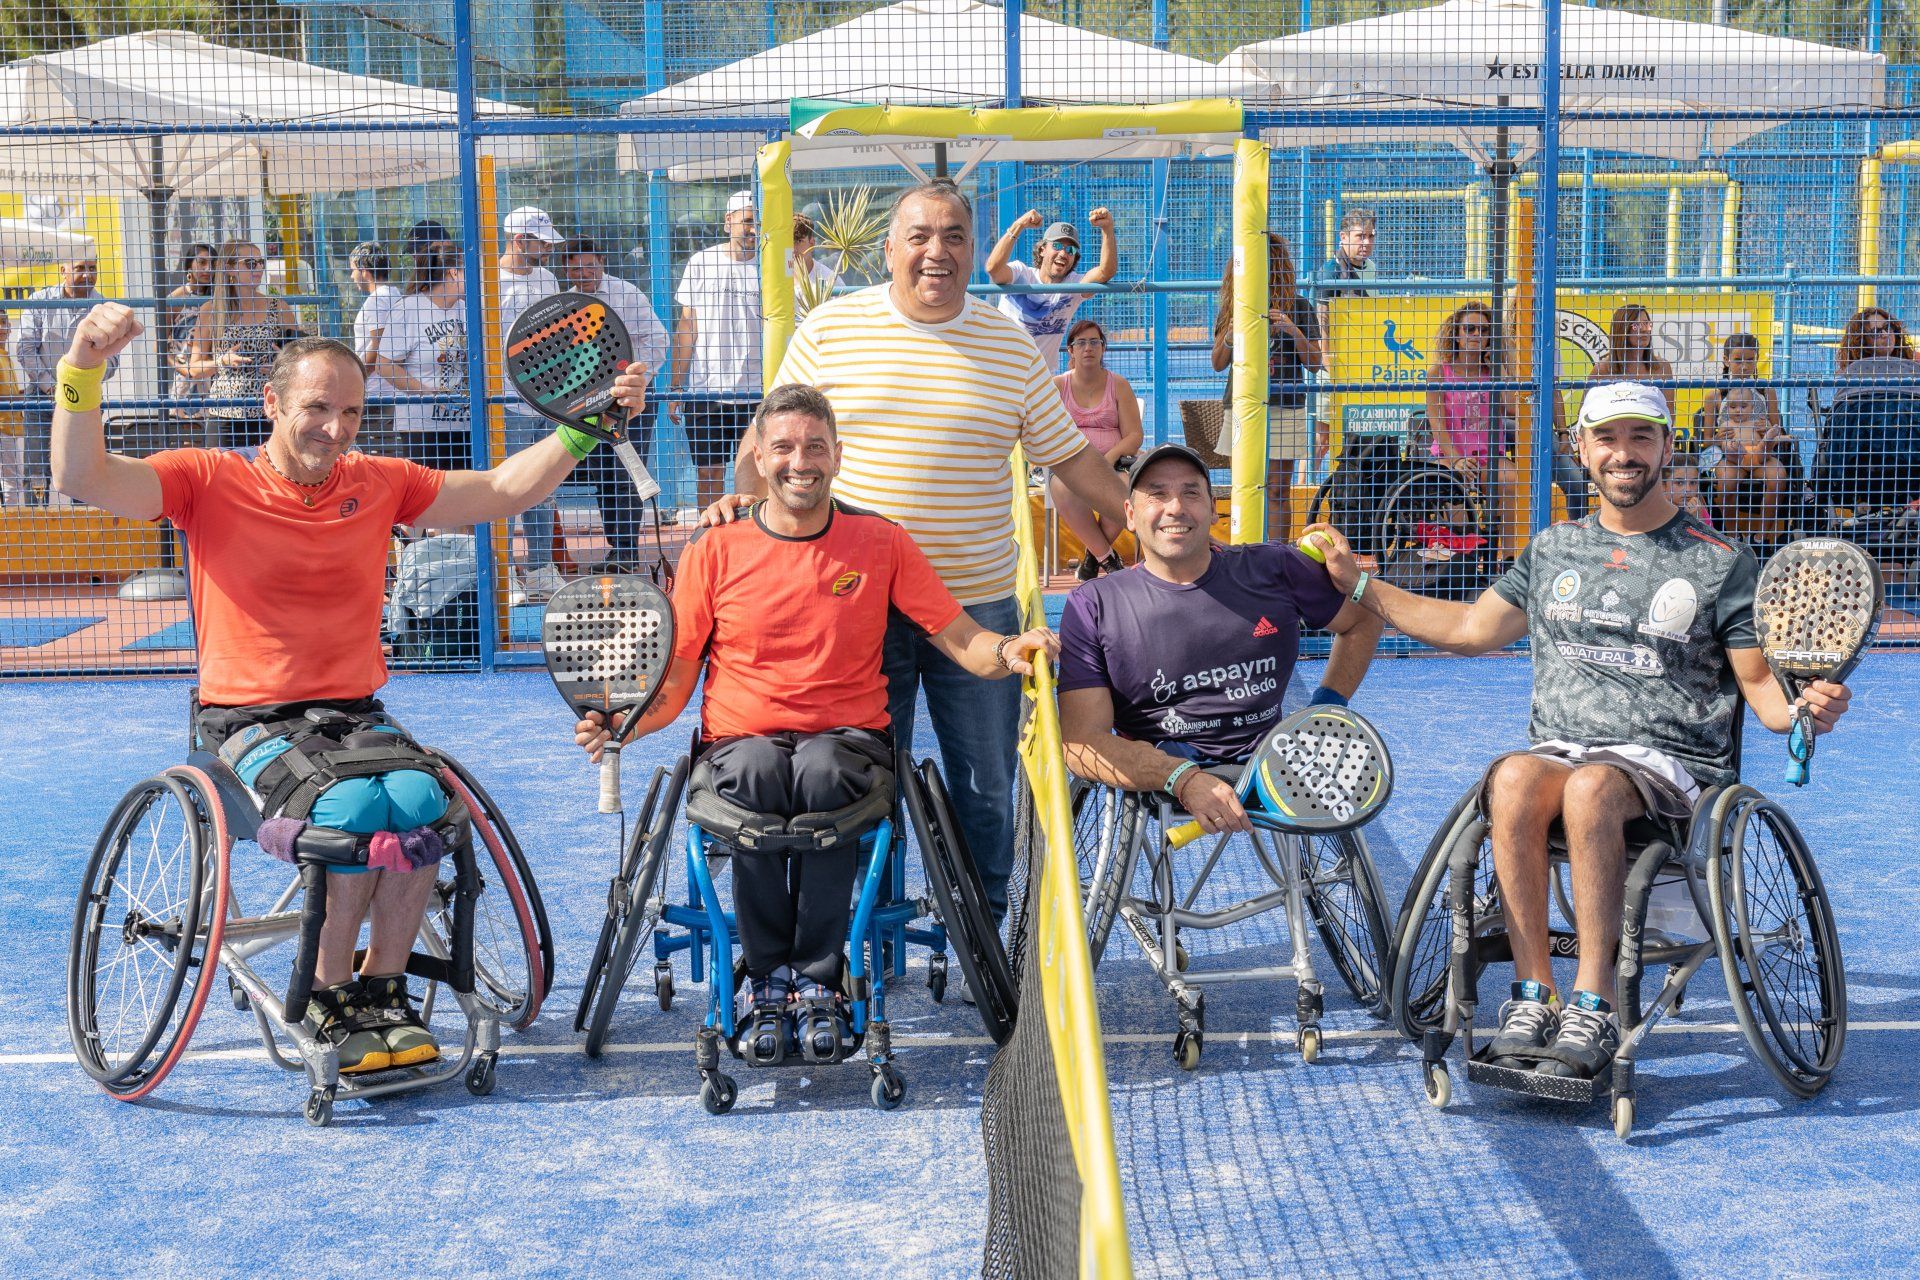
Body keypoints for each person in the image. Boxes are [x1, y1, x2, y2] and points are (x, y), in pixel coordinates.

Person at [51, 303, 626, 1073]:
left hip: (352, 713)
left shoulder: (377, 482)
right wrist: (83, 368)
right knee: (351, 812)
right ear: (272, 403)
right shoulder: (207, 480)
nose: (335, 428)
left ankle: (382, 990)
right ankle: (327, 993)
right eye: (318, 408)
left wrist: (583, 431)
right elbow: (81, 476)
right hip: (245, 719)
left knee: (422, 802)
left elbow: (497, 489)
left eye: (351, 412)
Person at [1303, 381, 1853, 1083]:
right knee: (1511, 775)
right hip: (1562, 752)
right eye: (1608, 439)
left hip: (1670, 765)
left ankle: (1594, 1003)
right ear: (1581, 449)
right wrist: (1359, 585)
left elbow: (1763, 694)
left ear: (1666, 448)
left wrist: (1804, 711)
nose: (1624, 453)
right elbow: (1470, 628)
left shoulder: (1722, 562)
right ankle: (1534, 996)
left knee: (1592, 789)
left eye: (1641, 437)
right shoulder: (1553, 548)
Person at [575, 381, 1055, 1051]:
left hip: (847, 741)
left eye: (815, 447)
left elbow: (958, 636)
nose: (799, 462)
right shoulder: (714, 550)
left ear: (837, 455)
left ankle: (820, 978)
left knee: (824, 772)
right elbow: (677, 681)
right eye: (783, 448)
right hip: (740, 741)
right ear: (759, 458)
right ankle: (769, 978)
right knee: (756, 772)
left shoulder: (880, 541)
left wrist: (1009, 650)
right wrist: (624, 725)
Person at [709, 180, 1132, 923]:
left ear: (973, 250)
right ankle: (873, 929)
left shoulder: (1009, 345)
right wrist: (742, 509)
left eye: (954, 236)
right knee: (857, 783)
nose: (937, 251)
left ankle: (983, 928)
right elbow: (766, 446)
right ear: (889, 249)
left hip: (977, 604)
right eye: (919, 236)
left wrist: (1148, 521)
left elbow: (1070, 459)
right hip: (854, 604)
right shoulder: (831, 330)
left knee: (986, 786)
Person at [1057, 442, 1382, 836]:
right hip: (1161, 762)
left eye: (1190, 492)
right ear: (1129, 514)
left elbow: (1363, 618)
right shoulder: (1093, 604)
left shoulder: (1273, 568)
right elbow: (1081, 741)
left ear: (1213, 509)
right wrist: (1180, 776)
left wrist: (1326, 707)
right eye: (1157, 494)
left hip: (1270, 756)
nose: (1175, 507)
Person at [555, 236, 671, 572]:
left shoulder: (626, 294)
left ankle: (626, 551)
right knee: (602, 473)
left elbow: (658, 339)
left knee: (626, 471)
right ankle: (615, 548)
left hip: (628, 399)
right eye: (576, 269)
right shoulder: (565, 302)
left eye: (590, 267)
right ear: (566, 271)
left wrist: (634, 379)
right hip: (587, 401)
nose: (585, 274)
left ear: (602, 263)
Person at [1211, 232, 1322, 541]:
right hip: (1242, 404)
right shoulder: (1235, 305)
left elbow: (1315, 363)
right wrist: (1230, 335)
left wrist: (1292, 330)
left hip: (1285, 405)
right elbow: (1217, 363)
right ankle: (1244, 550)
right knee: (1245, 486)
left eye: (1268, 261)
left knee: (1277, 489)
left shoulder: (1299, 305)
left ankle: (1277, 554)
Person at [669, 191, 763, 511]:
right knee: (708, 473)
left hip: (757, 392)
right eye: (747, 221)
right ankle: (707, 537)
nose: (753, 229)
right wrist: (676, 386)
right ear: (728, 221)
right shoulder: (701, 263)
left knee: (755, 478)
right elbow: (686, 327)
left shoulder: (771, 266)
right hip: (706, 391)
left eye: (758, 222)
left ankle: (753, 537)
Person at [498, 206, 569, 600]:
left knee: (545, 485)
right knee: (506, 486)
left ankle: (541, 570)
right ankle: (505, 572)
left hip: (547, 398)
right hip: (506, 400)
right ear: (519, 240)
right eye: (541, 242)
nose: (548, 248)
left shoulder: (547, 278)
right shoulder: (489, 280)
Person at [11, 254, 116, 504]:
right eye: (80, 268)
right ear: (63, 270)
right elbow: (25, 349)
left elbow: (112, 360)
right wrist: (53, 387)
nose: (88, 275)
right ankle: (36, 524)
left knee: (83, 471)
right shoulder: (40, 301)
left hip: (84, 399)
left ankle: (84, 525)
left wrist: (77, 384)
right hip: (41, 397)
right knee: (36, 471)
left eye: (93, 268)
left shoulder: (103, 308)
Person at [1426, 301, 1520, 559]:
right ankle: (1464, 559)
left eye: (1483, 330)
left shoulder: (1493, 373)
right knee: (1451, 484)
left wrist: (1502, 368)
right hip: (1450, 455)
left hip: (1489, 456)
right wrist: (1457, 459)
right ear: (1457, 335)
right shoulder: (1439, 373)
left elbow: (1514, 408)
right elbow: (1437, 424)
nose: (1477, 335)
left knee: (1513, 481)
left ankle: (1508, 560)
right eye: (1470, 329)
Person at [186, 240, 300, 450]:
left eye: (260, 262)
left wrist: (281, 367)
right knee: (223, 470)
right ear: (229, 268)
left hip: (269, 412)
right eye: (250, 263)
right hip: (225, 414)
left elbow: (300, 360)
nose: (258, 268)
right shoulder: (211, 310)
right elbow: (194, 368)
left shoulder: (278, 307)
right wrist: (222, 361)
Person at [1052, 318, 1143, 580]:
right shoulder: (1057, 386)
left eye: (1094, 342)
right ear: (1071, 350)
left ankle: (1093, 559)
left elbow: (1134, 435)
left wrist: (1109, 457)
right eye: (1081, 343)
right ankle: (1109, 560)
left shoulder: (1119, 384)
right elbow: (1048, 432)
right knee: (1062, 488)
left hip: (1114, 464)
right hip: (1071, 466)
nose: (1088, 348)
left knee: (1126, 489)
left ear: (1103, 348)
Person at [375, 239, 469, 473]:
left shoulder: (467, 309)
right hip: (423, 426)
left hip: (466, 424)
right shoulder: (408, 309)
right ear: (454, 273)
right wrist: (427, 393)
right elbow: (384, 365)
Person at [985, 207, 1118, 368]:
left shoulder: (1073, 286)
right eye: (1057, 245)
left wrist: (1107, 228)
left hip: (1040, 375)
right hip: (1001, 368)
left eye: (1070, 250)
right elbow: (993, 268)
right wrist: (1019, 225)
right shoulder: (1021, 273)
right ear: (1042, 250)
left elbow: (1105, 272)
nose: (1063, 253)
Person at [1313, 208, 1378, 465]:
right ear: (1343, 237)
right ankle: (1306, 482)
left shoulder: (1371, 268)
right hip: (1333, 366)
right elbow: (1322, 318)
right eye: (1360, 236)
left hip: (1362, 364)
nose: (1366, 242)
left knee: (1359, 433)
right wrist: (1327, 358)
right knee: (1322, 437)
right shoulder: (1330, 271)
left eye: (1370, 236)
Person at [347, 241, 403, 451]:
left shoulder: (377, 301)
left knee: (372, 455)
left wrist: (356, 378)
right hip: (390, 390)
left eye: (353, 270)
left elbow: (379, 347)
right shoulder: (396, 295)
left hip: (375, 393)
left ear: (364, 270)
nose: (352, 276)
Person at [1589, 304, 1676, 421]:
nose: (1644, 329)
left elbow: (1670, 415)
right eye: (1636, 325)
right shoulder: (1602, 369)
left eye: (1647, 324)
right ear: (1621, 329)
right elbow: (1585, 413)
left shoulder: (1662, 367)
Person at [166, 243, 216, 432]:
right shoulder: (177, 298)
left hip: (214, 373)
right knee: (186, 434)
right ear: (189, 266)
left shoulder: (219, 298)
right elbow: (159, 343)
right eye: (201, 262)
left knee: (213, 433)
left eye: (212, 263)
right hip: (185, 378)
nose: (207, 269)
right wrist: (180, 368)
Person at [1836, 305, 1916, 372]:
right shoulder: (1851, 376)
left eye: (1887, 327)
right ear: (1863, 341)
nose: (1885, 334)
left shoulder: (1913, 366)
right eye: (1876, 331)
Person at [0, 313, 24, 504]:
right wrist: (22, 398)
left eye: (5, 322)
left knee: (12, 481)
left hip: (9, 427)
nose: (5, 327)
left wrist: (22, 394)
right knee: (12, 482)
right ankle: (11, 521)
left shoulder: (4, 355)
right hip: (3, 428)